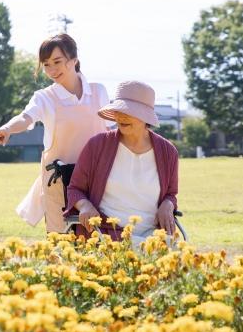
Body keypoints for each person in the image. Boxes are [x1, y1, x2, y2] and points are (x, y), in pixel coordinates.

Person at [0, 34, 111, 233]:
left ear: (74, 60)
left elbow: (111, 129)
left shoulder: (98, 91)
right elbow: (26, 117)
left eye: (57, 62)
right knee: (62, 240)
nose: (52, 70)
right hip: (60, 179)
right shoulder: (45, 97)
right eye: (46, 64)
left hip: (98, 177)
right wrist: (8, 129)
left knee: (103, 237)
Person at [64, 80, 179, 246]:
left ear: (145, 116)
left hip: (155, 236)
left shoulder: (168, 152)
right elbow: (75, 189)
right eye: (119, 110)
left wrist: (168, 204)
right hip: (108, 235)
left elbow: (171, 193)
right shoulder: (97, 145)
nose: (121, 116)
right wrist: (85, 206)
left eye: (129, 111)